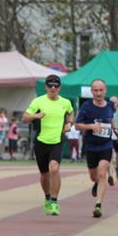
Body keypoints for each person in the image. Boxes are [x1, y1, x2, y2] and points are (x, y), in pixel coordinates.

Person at [22, 74, 74, 216]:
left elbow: (71, 113)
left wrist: (69, 123)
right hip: (41, 142)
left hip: (57, 141)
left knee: (54, 169)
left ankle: (54, 202)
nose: (53, 88)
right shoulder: (38, 101)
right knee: (44, 175)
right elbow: (24, 118)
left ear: (60, 87)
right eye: (50, 85)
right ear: (45, 87)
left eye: (56, 85)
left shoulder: (65, 102)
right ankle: (47, 197)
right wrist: (35, 116)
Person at [75, 79, 118, 218]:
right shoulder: (86, 106)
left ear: (105, 90)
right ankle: (97, 183)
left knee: (102, 174)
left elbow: (111, 119)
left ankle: (98, 205)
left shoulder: (110, 105)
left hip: (106, 145)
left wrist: (114, 129)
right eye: (96, 90)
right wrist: (90, 126)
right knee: (94, 177)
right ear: (92, 91)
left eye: (101, 90)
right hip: (91, 146)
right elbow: (77, 125)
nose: (99, 93)